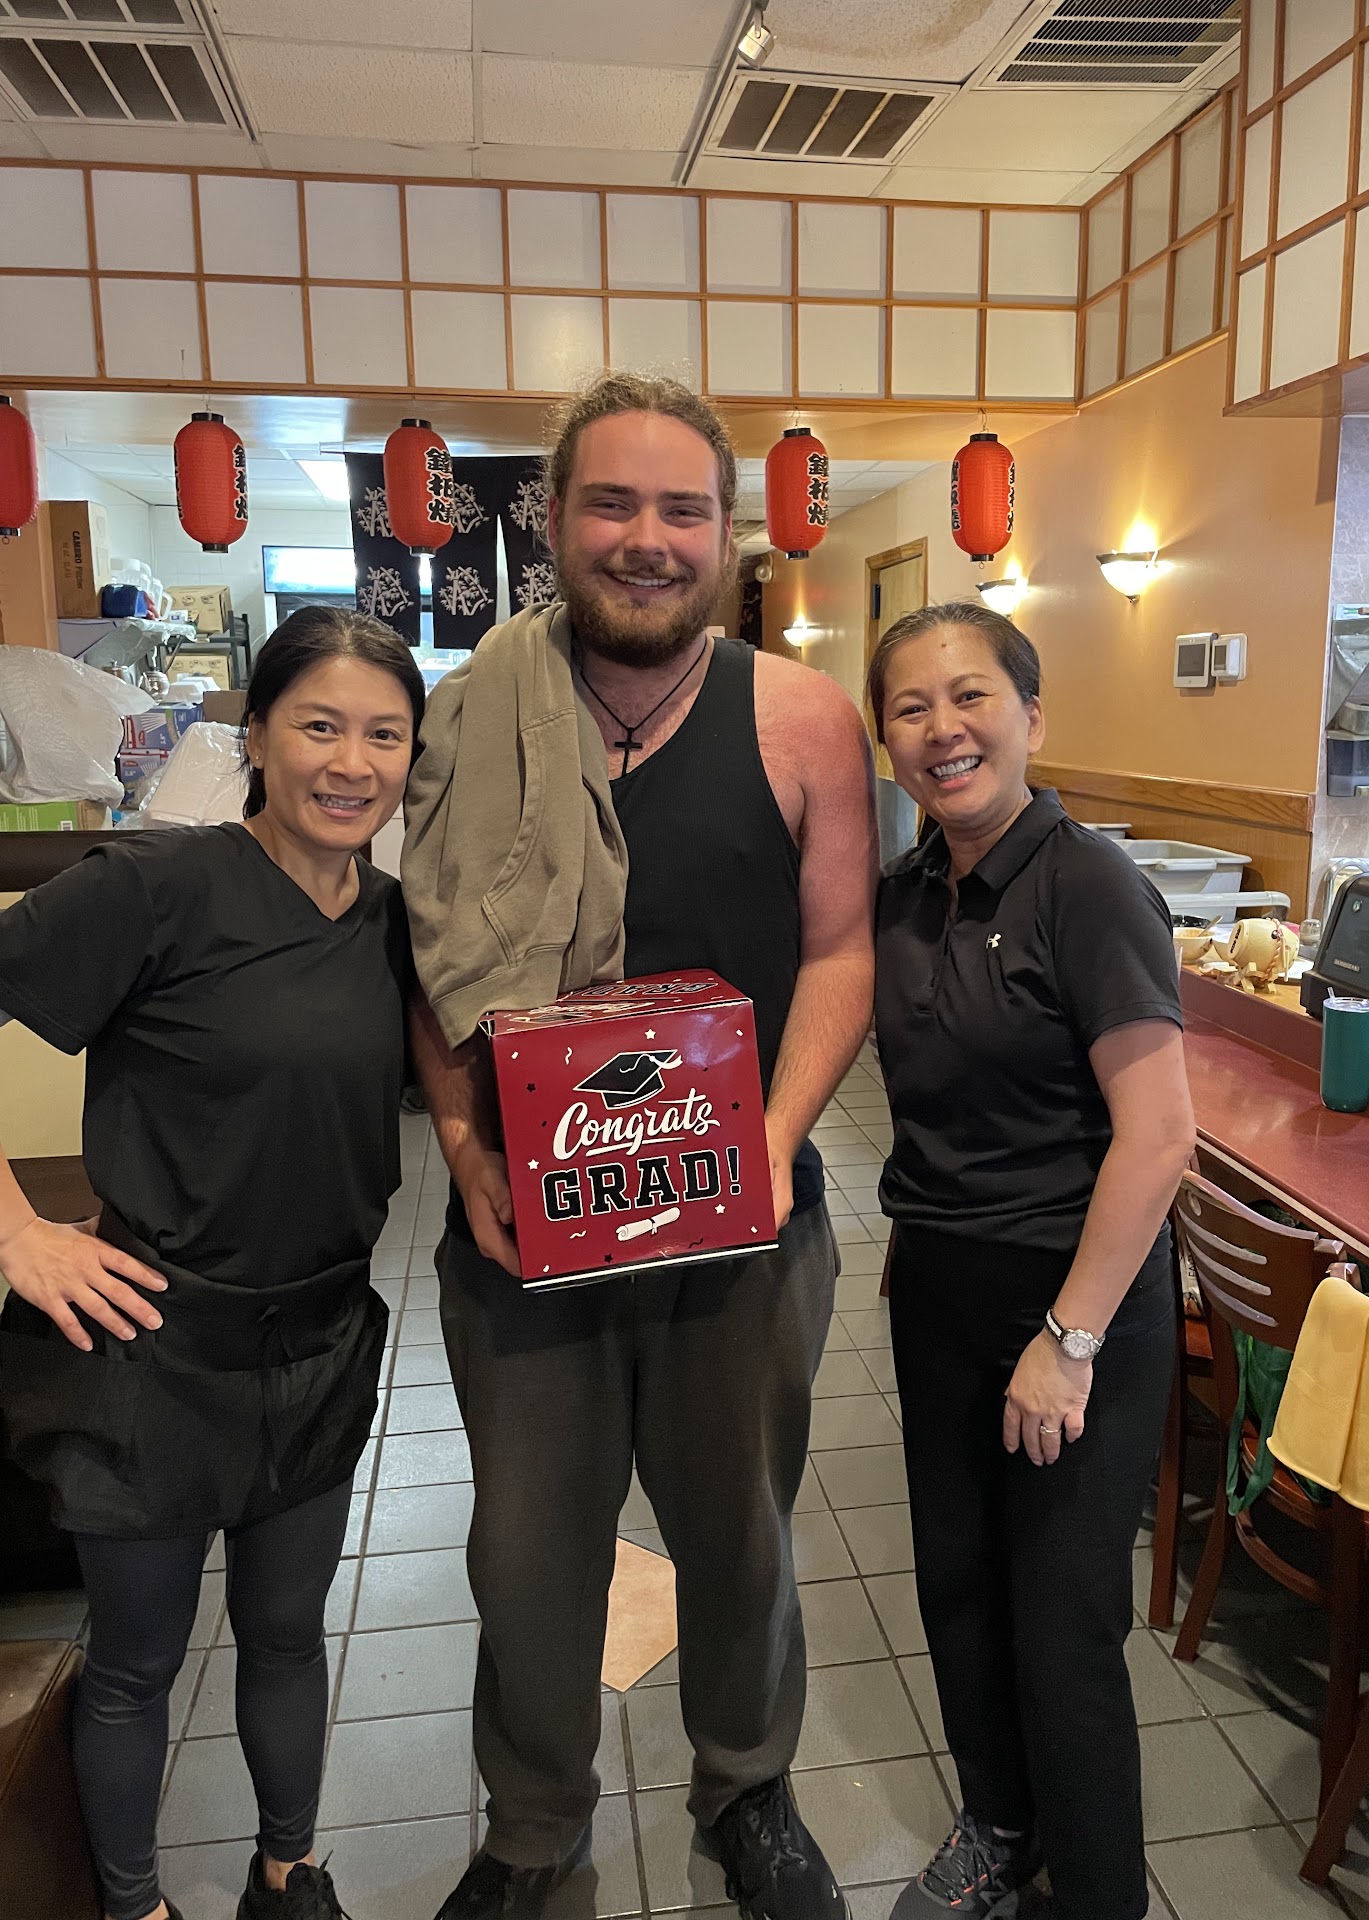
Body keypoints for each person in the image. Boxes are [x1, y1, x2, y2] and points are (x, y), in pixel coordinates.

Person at [404, 373, 877, 1920]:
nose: (647, 538)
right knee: (527, 1553)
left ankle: (747, 1789)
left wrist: (772, 1143)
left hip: (743, 1232)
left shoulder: (801, 718)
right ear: (553, 520)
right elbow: (430, 957)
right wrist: (466, 1149)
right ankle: (534, 1826)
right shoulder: (472, 713)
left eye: (684, 509)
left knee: (740, 1538)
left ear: (726, 534)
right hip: (523, 1230)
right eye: (612, 502)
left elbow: (842, 951)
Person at [0, 607, 425, 1920]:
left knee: (287, 1635)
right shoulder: (156, 885)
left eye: (384, 735)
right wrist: (15, 1232)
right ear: (255, 736)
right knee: (137, 1665)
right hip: (152, 1350)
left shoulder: (395, 921)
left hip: (318, 1341)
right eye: (318, 726)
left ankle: (287, 1872)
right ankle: (134, 1906)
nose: (350, 763)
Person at [867, 602, 1195, 1920]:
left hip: (1076, 1308)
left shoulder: (1089, 885)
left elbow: (1159, 1136)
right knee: (957, 1584)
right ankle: (1000, 1825)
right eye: (909, 707)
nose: (942, 729)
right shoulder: (903, 896)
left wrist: (1066, 1344)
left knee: (1064, 1626)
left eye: (971, 698)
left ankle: (1100, 1893)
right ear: (886, 740)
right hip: (939, 1293)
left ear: (1032, 717)